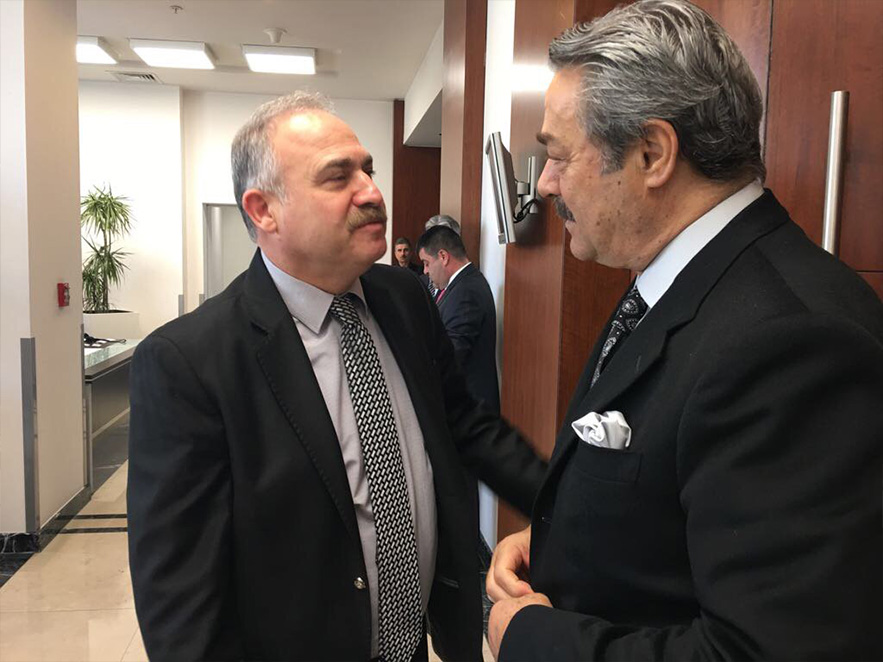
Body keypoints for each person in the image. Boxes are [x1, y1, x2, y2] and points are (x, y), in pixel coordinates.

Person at [486, 1, 883, 660]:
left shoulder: (789, 342)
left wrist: (530, 638)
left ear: (651, 153)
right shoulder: (680, 278)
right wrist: (559, 542)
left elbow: (766, 649)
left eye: (557, 155)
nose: (547, 183)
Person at [127, 91, 546, 662]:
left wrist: (567, 505)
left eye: (368, 170)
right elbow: (181, 608)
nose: (372, 192)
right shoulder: (188, 364)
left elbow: (466, 426)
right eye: (337, 177)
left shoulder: (405, 299)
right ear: (264, 210)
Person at [417, 225, 500, 413]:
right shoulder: (466, 283)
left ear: (443, 256)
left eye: (427, 263)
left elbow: (451, 356)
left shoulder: (465, 292)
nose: (426, 271)